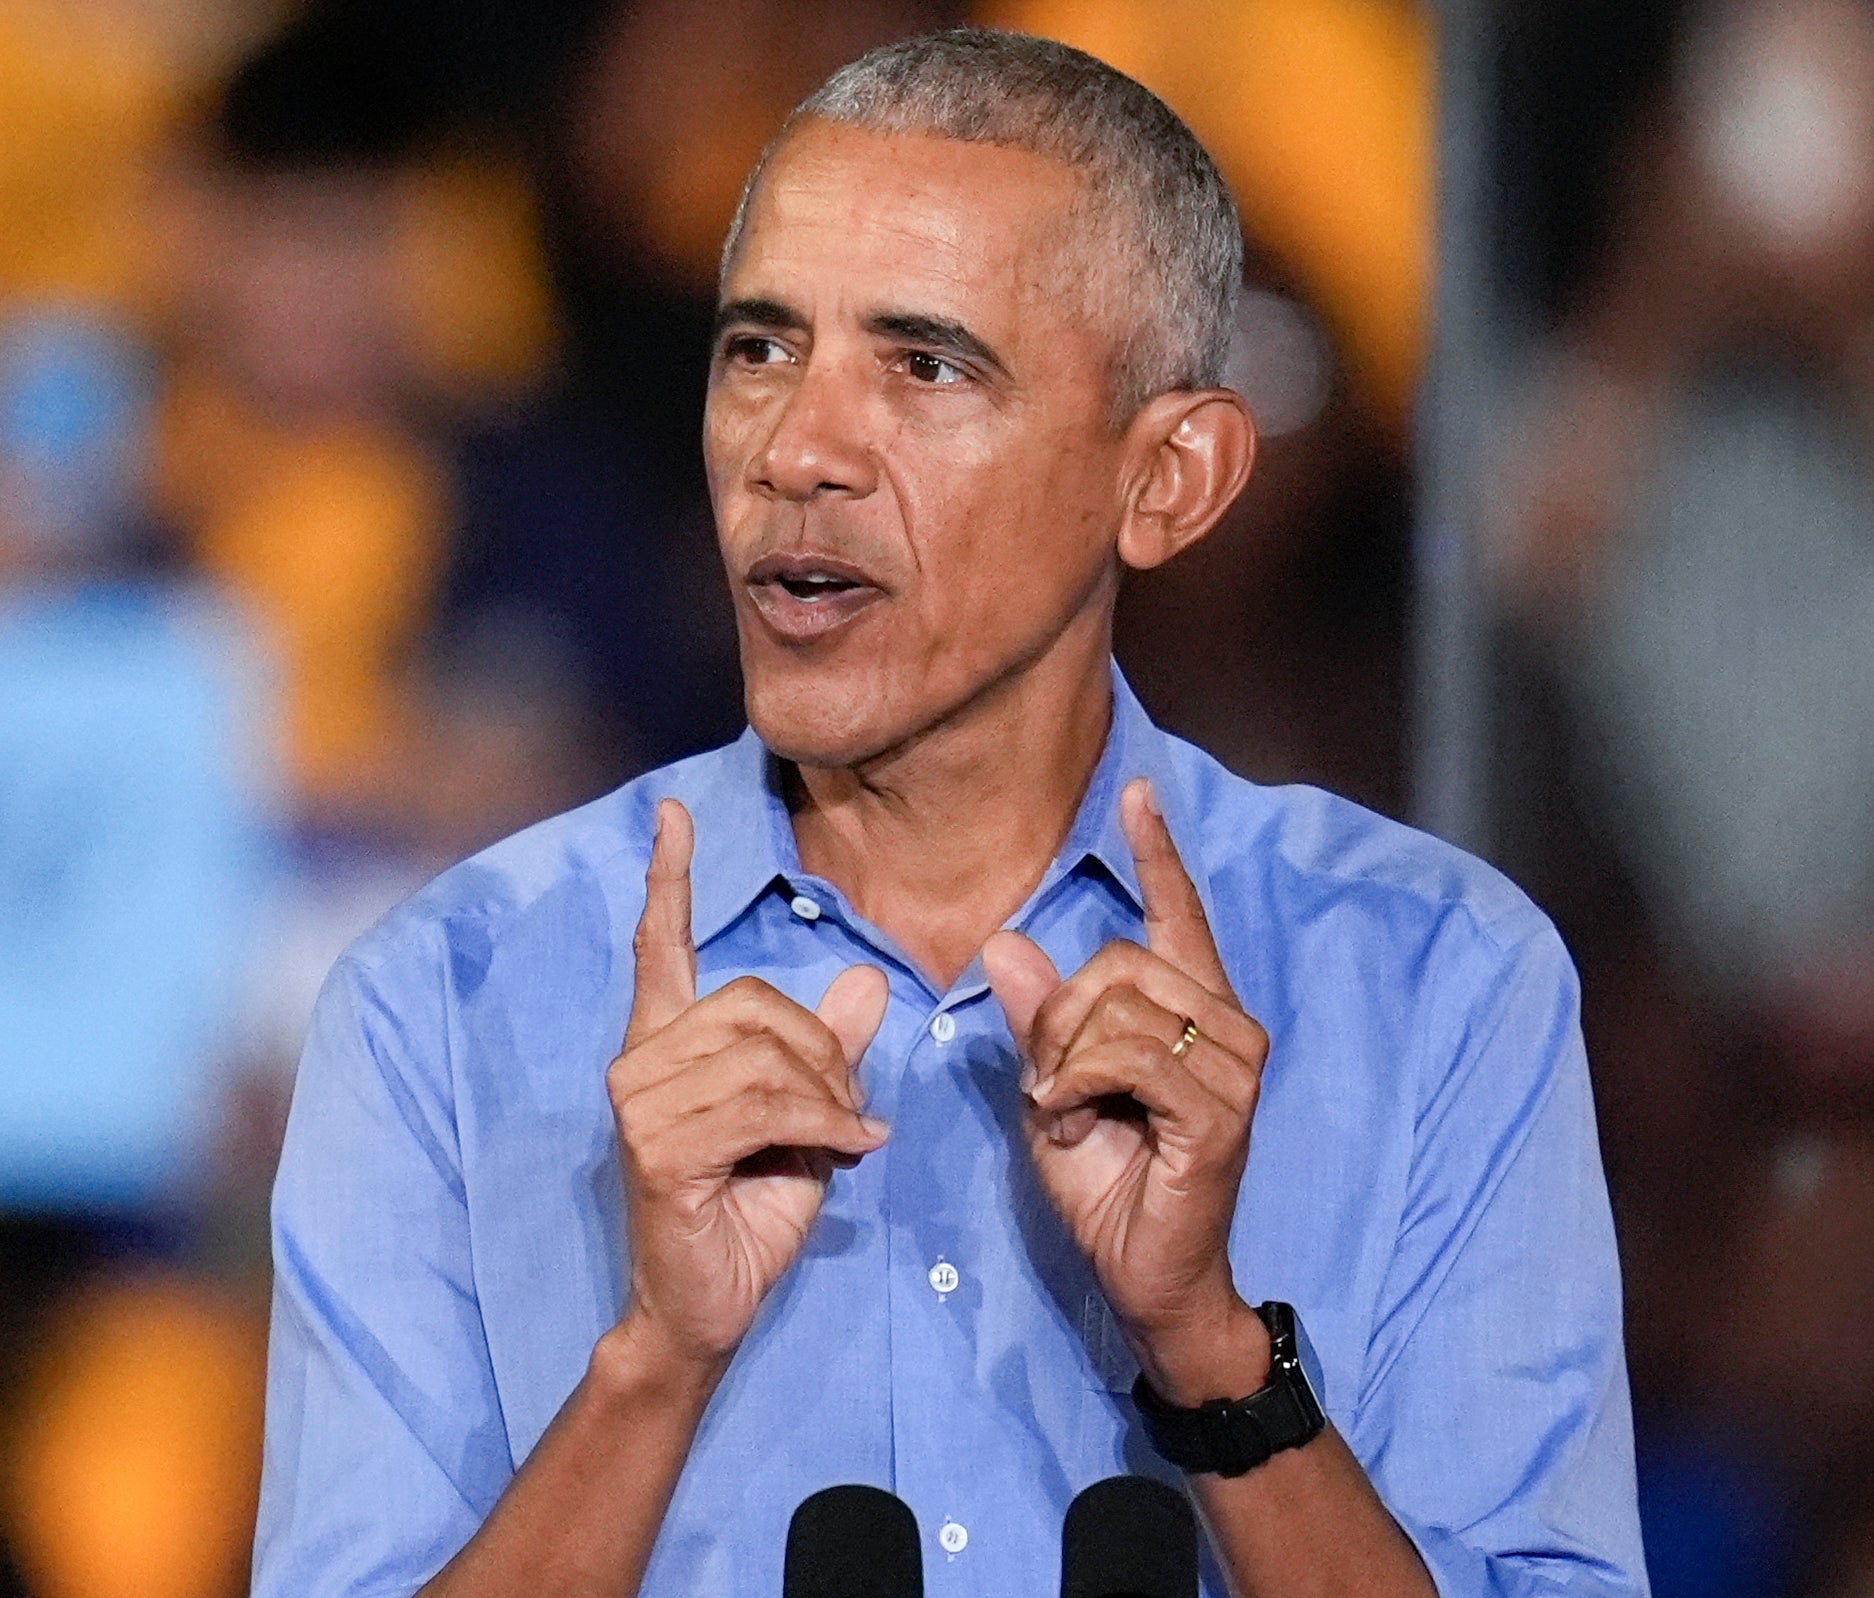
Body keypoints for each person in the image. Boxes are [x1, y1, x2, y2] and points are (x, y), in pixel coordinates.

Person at [257, 29, 1643, 1598]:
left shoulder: (1435, 980)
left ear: (1170, 477)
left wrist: (1206, 1346)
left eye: (924, 366)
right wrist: (652, 1364)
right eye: (758, 350)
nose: (797, 452)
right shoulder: (438, 1005)